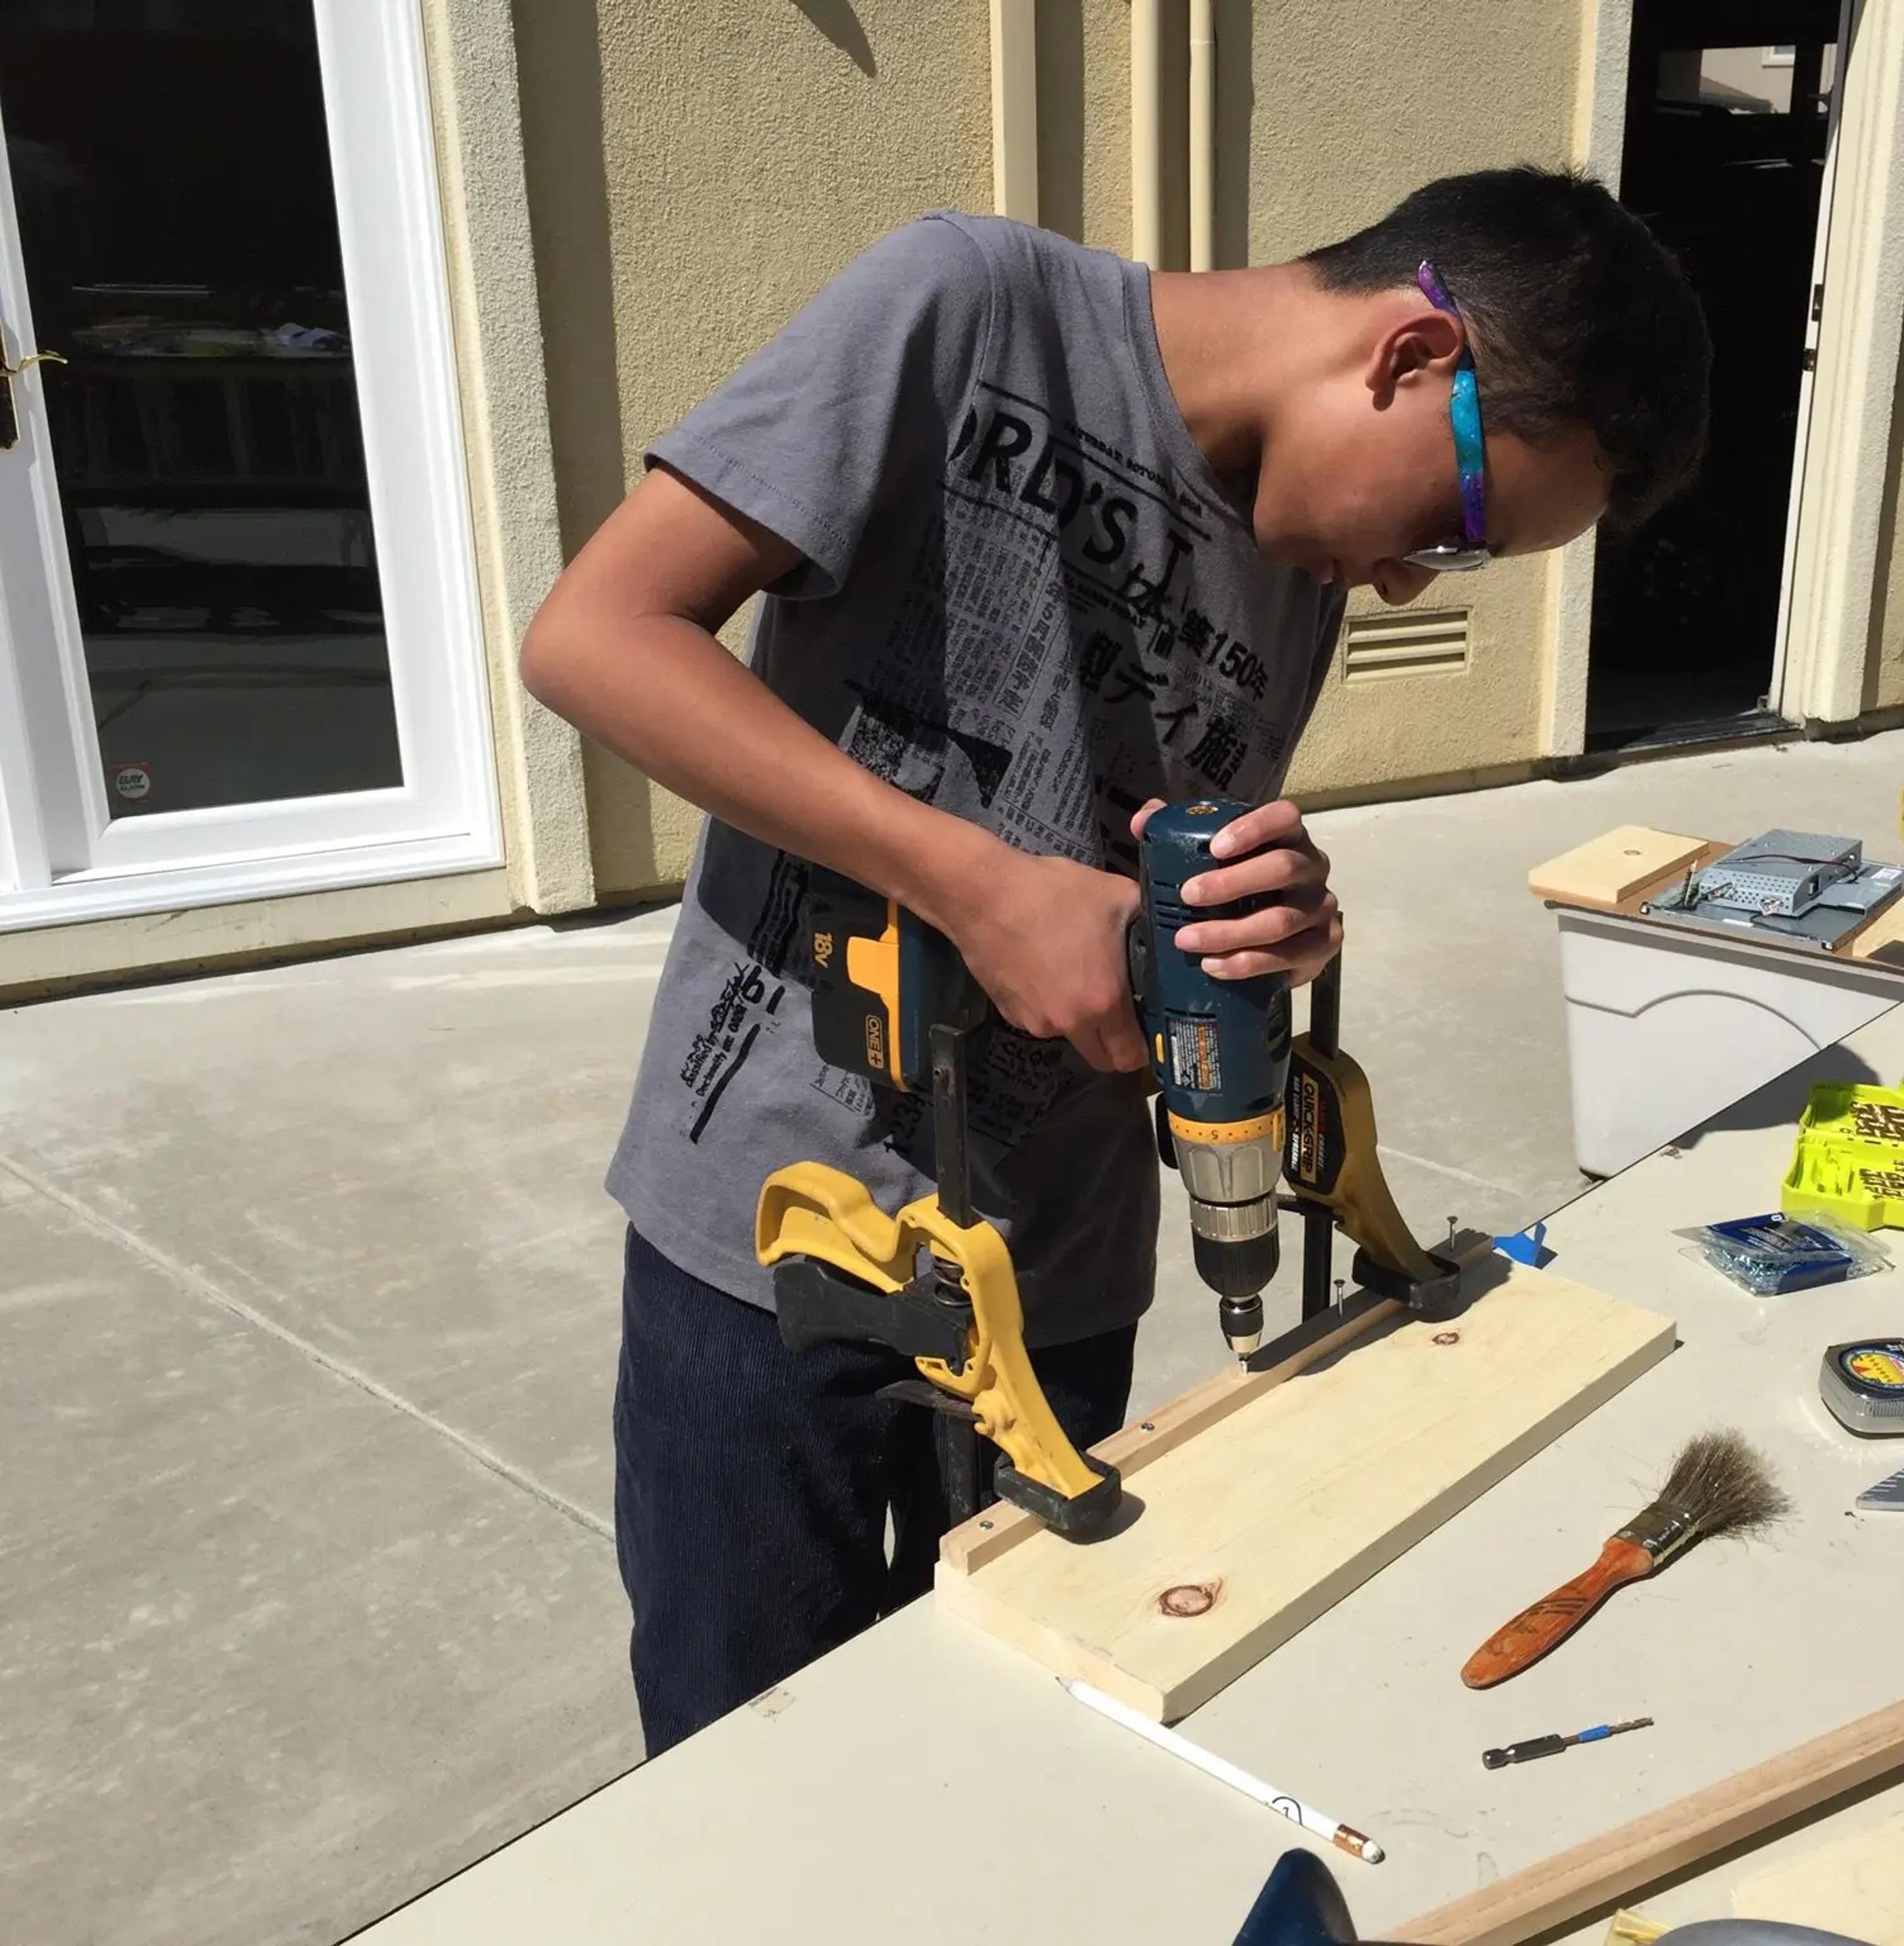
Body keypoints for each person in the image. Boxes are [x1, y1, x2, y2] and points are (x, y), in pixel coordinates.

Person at [521, 164, 1711, 1755]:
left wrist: (1267, 922)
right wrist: (969, 880)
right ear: (1412, 360)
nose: (1419, 576)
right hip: (775, 1240)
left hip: (1057, 1267)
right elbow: (594, 638)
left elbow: (1151, 867)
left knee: (992, 1747)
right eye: (1458, 524)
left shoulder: (1300, 561)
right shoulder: (966, 311)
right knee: (750, 1761)